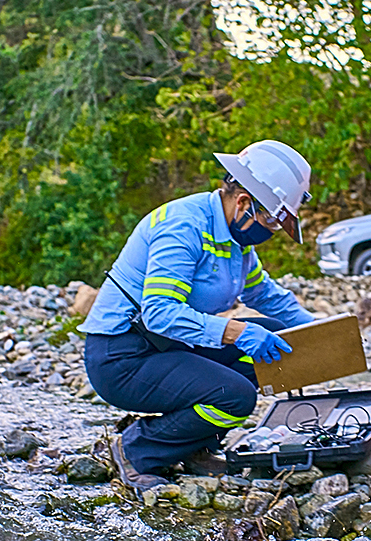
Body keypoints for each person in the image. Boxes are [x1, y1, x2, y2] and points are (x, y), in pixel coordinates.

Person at [77, 140, 316, 492]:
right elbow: (160, 313)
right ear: (244, 203)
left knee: (275, 336)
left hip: (169, 345)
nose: (272, 230)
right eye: (271, 220)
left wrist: (323, 333)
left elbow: (265, 295)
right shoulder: (183, 227)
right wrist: (235, 332)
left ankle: (193, 444)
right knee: (236, 397)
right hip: (123, 355)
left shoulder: (237, 244)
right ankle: (136, 450)